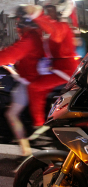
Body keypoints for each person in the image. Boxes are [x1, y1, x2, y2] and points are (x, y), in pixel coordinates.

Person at [23, 0, 79, 138]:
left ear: (60, 11)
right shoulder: (57, 25)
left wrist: (37, 14)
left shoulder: (62, 26)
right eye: (47, 9)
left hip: (64, 71)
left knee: (35, 87)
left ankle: (39, 124)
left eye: (50, 9)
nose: (48, 12)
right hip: (57, 68)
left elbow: (56, 33)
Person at [0, 7, 45, 155]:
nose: (16, 25)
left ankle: (24, 147)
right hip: (30, 77)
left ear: (26, 21)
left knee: (11, 114)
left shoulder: (30, 38)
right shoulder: (35, 35)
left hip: (29, 81)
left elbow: (11, 54)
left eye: (19, 20)